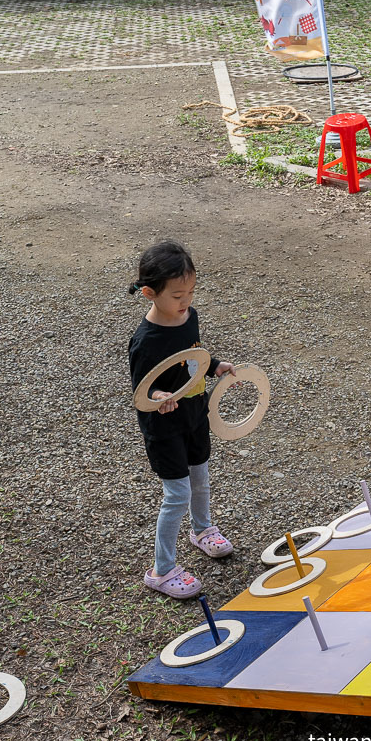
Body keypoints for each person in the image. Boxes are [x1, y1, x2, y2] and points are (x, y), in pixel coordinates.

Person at [128, 240, 237, 600]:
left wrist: (214, 364)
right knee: (176, 495)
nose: (185, 301)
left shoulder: (189, 317)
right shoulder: (146, 340)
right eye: (177, 295)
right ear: (149, 293)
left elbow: (194, 355)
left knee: (201, 479)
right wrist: (160, 397)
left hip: (195, 415)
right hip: (164, 429)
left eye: (190, 291)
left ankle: (203, 530)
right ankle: (161, 570)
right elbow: (143, 389)